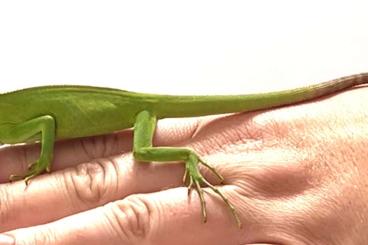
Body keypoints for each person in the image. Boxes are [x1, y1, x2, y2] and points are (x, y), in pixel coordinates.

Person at [0, 86, 367, 245]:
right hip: (134, 108)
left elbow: (46, 123)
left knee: (142, 155)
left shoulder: (10, 122)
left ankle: (189, 157)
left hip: (141, 110)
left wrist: (42, 163)